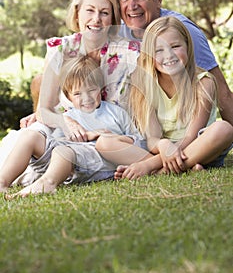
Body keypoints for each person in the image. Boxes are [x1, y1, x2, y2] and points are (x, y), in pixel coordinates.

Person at [0, 0, 141, 183]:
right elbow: (44, 110)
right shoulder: (61, 49)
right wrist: (66, 121)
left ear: (113, 17)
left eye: (104, 12)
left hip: (104, 139)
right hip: (62, 130)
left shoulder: (128, 53)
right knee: (30, 136)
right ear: (77, 13)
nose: (96, 19)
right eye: (89, 11)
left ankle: (48, 177)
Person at [0, 55, 146, 197]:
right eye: (77, 94)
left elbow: (136, 141)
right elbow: (55, 141)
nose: (86, 98)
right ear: (68, 96)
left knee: (64, 151)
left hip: (90, 162)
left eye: (91, 90)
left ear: (101, 88)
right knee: (30, 136)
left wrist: (103, 135)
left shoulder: (115, 113)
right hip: (59, 161)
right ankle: (2, 182)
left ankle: (48, 184)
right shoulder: (69, 116)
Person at [113, 16, 233, 180]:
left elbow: (191, 137)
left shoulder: (203, 82)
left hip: (198, 146)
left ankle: (158, 171)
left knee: (224, 129)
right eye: (159, 50)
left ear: (188, 46)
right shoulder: (145, 84)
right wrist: (163, 145)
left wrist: (148, 164)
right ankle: (188, 166)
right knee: (105, 143)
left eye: (175, 46)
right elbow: (152, 139)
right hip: (163, 149)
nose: (168, 55)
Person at [116, 0, 233, 126]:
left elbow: (223, 94)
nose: (132, 5)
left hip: (187, 132)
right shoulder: (118, 33)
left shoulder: (182, 32)